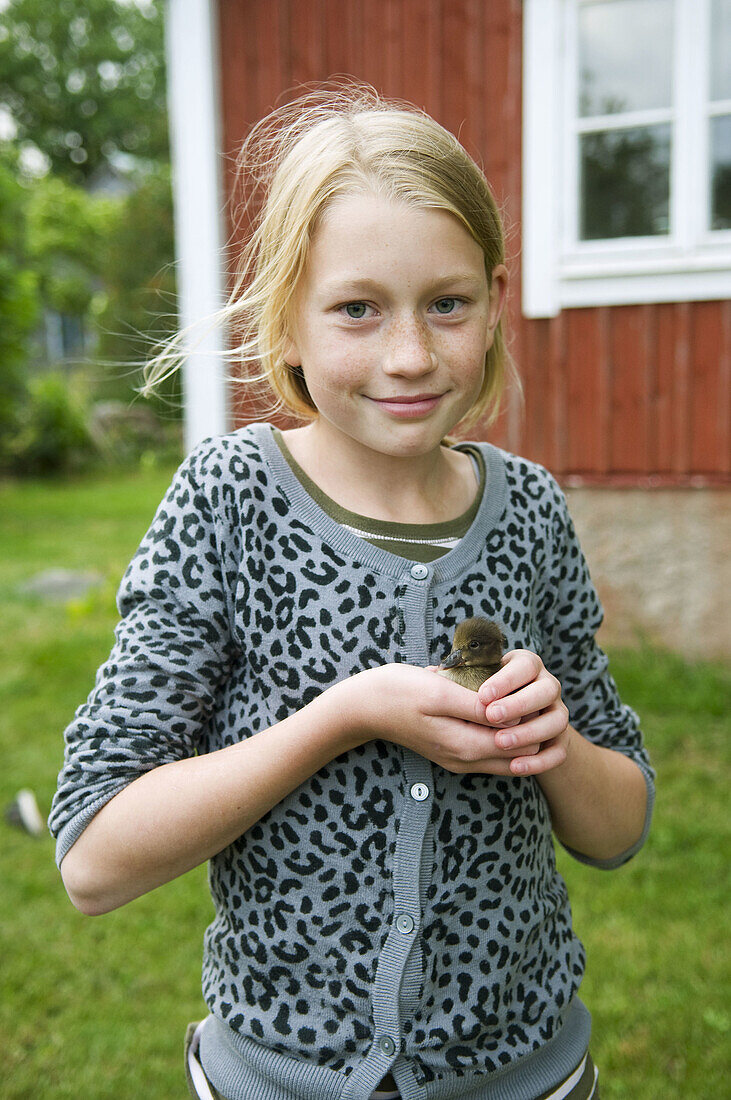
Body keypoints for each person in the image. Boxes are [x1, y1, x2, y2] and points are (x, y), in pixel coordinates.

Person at [49, 86, 654, 1100]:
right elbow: (94, 856)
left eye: (446, 303)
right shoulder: (230, 500)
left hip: (527, 1072)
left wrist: (556, 742)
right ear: (284, 321)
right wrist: (342, 715)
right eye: (356, 309)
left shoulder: (529, 511)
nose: (409, 354)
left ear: (495, 300)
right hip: (274, 1077)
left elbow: (617, 823)